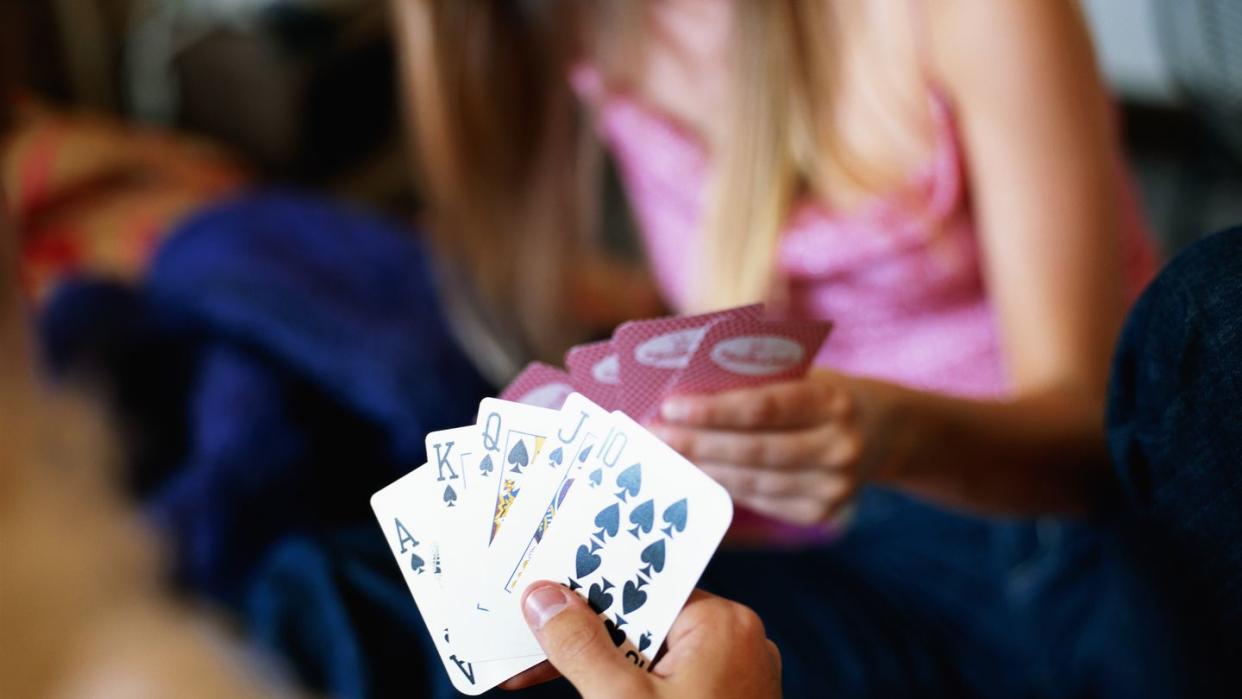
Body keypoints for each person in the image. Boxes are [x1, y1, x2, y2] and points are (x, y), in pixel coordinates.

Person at [394, 0, 1196, 696]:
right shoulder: (598, 26)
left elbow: (1100, 440)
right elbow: (727, 291)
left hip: (1031, 523)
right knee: (393, 608)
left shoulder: (965, 17)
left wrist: (887, 432)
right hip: (794, 518)